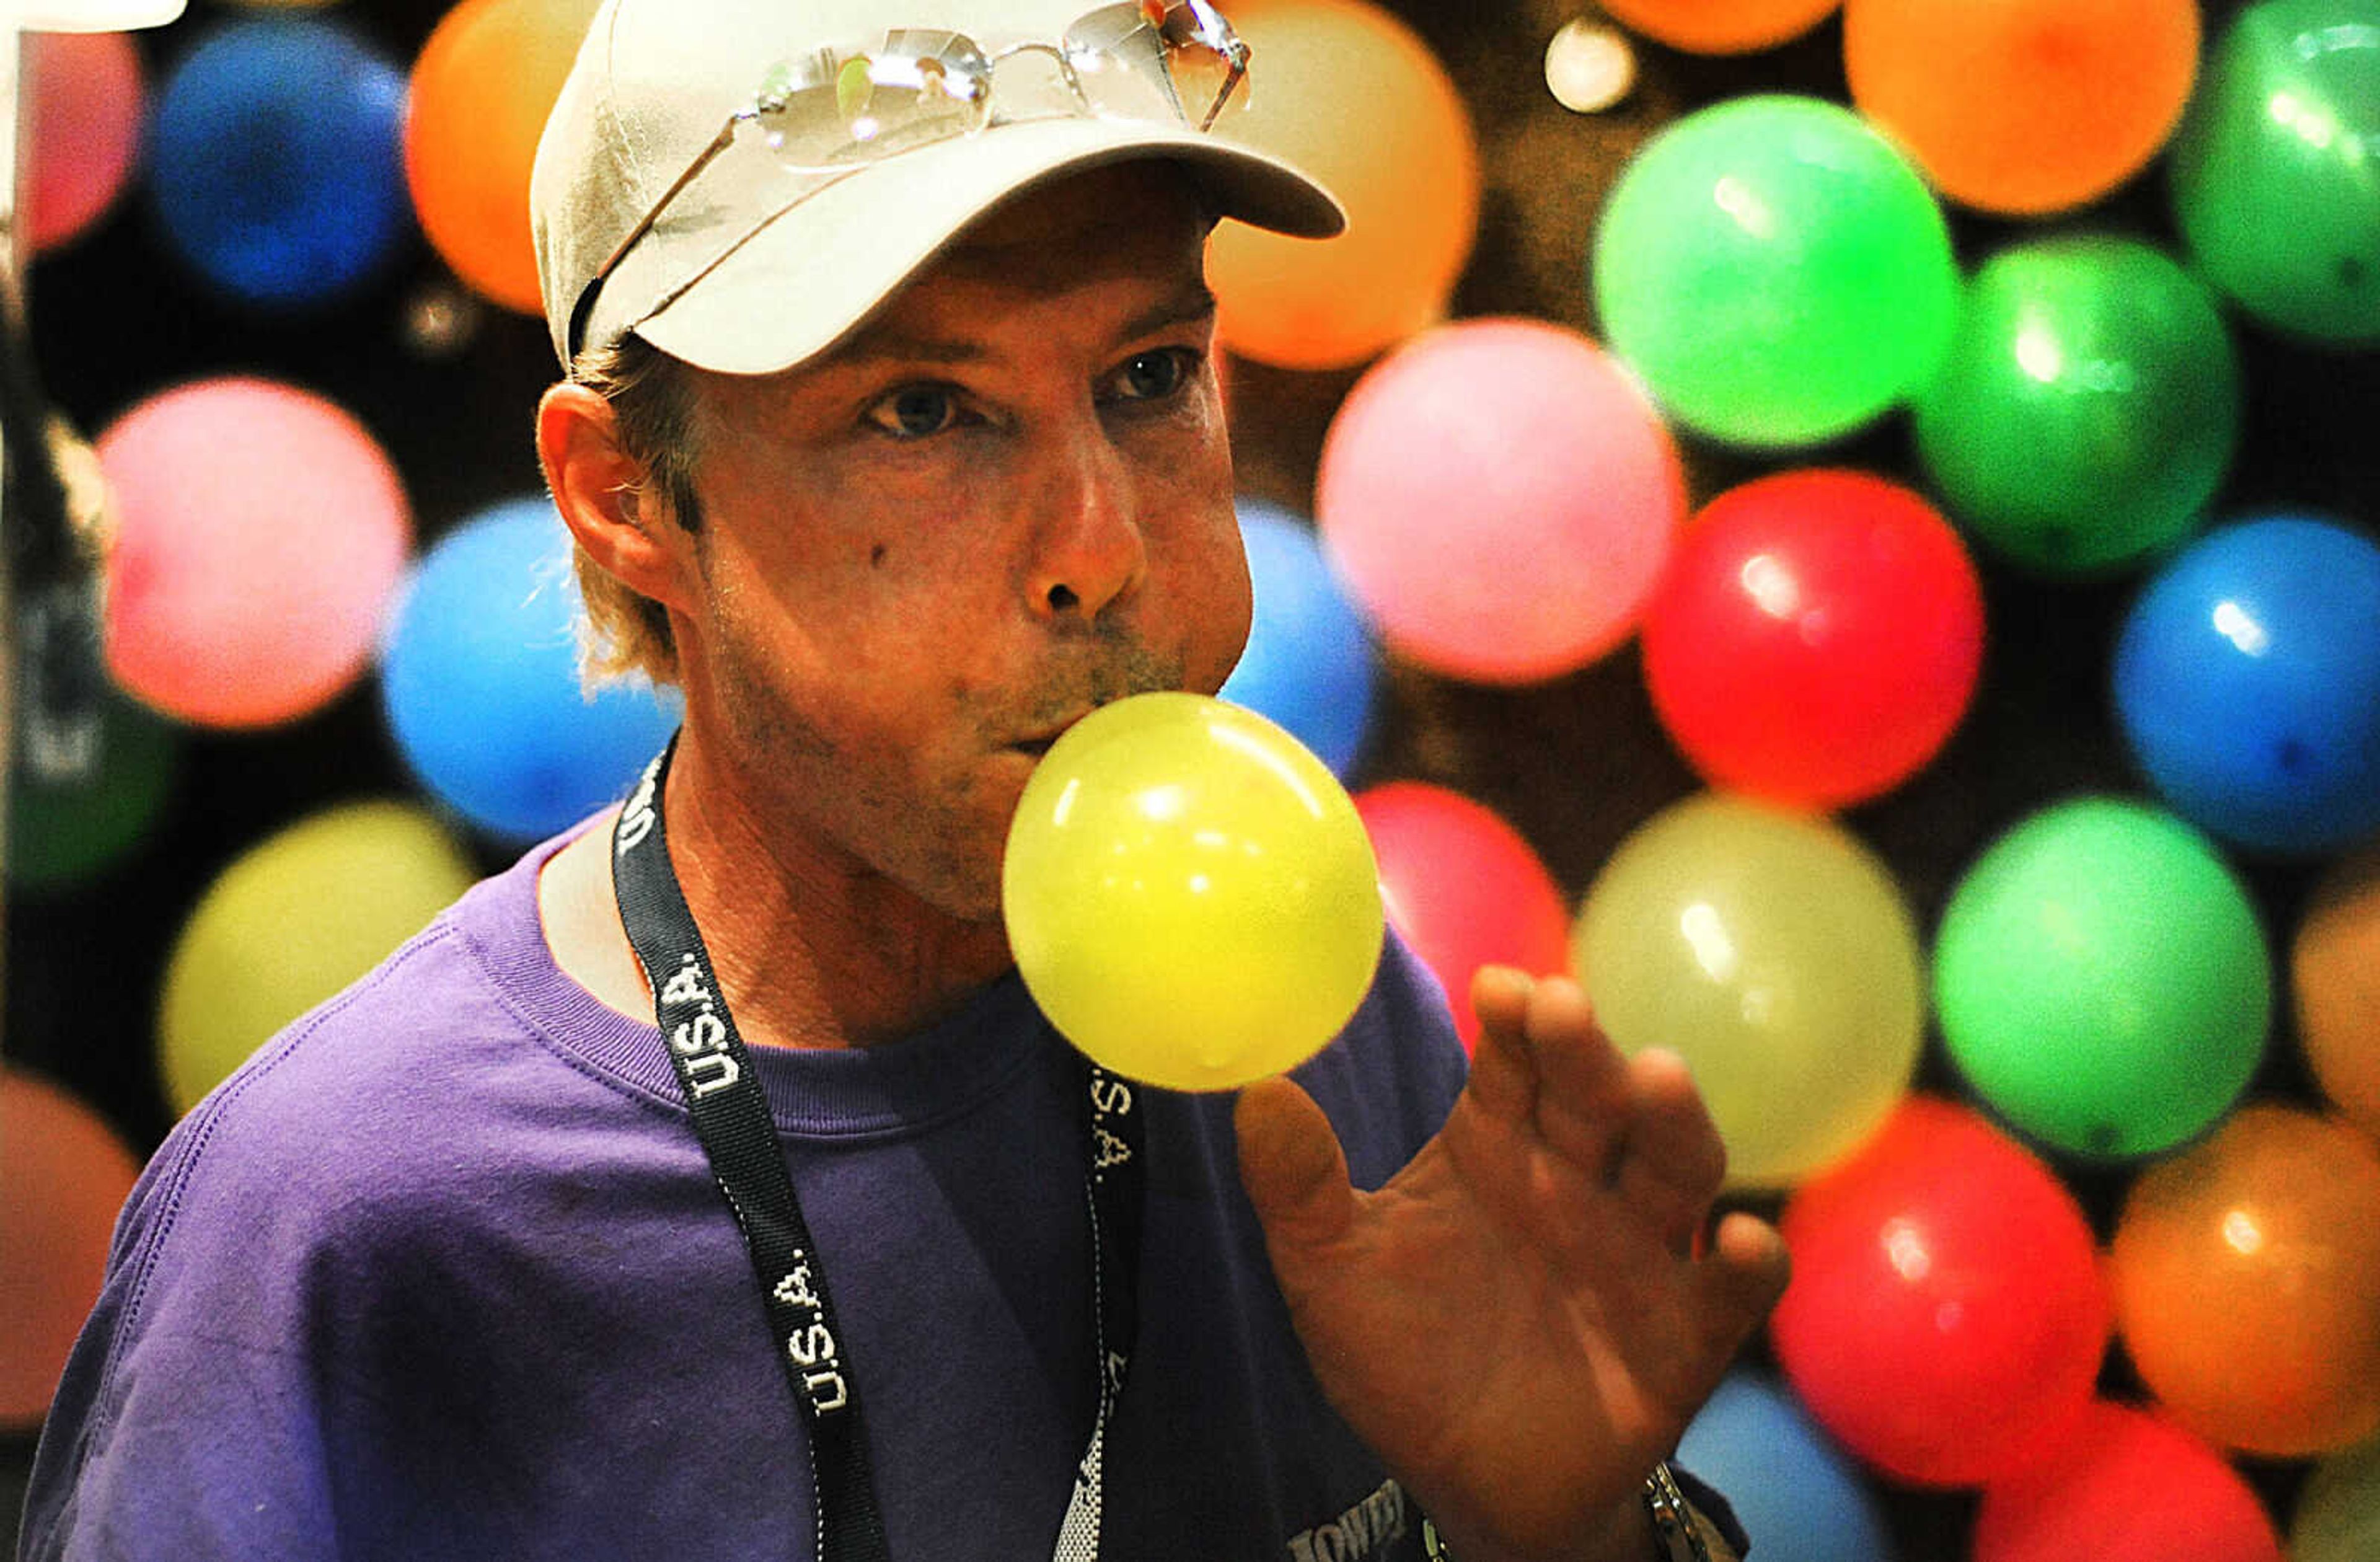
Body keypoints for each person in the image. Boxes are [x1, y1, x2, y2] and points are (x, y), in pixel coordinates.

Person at [19, 0, 1790, 1557]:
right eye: (923, 412)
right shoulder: (353, 1217)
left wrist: (1563, 1542)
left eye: (1151, 375)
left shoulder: (1300, 1007)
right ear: (624, 495)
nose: (1100, 549)